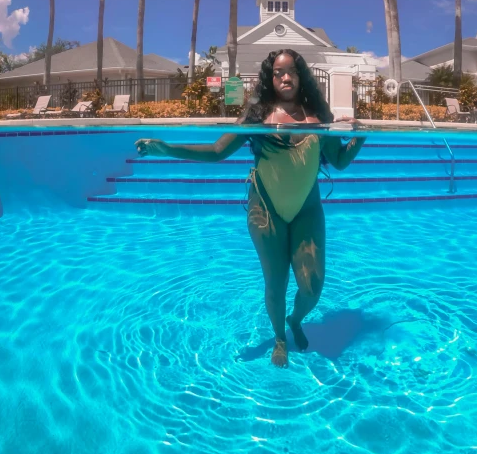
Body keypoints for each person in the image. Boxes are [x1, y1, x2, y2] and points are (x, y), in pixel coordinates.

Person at [135, 49, 366, 368]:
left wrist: (359, 138)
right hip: (265, 209)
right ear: (270, 79)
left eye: (292, 71)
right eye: (278, 73)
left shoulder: (317, 118)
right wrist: (167, 149)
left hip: (306, 211)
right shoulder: (256, 118)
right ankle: (280, 338)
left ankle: (295, 319)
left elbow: (338, 161)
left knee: (311, 286)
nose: (286, 77)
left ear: (301, 76)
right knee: (276, 283)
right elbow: (217, 151)